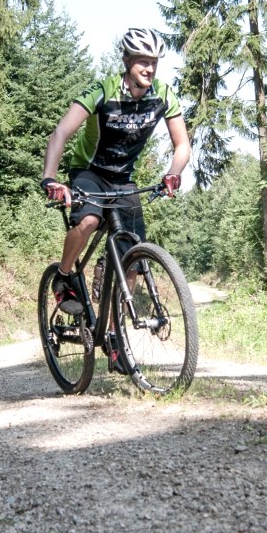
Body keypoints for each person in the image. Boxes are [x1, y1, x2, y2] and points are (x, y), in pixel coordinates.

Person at [41, 28, 192, 318]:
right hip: (90, 171)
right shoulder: (103, 91)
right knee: (87, 219)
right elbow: (60, 132)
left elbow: (182, 145)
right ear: (126, 60)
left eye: (154, 62)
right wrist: (50, 178)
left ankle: (115, 336)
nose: (149, 68)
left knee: (133, 257)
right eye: (142, 61)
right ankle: (63, 275)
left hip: (123, 180)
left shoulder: (163, 94)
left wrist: (173, 173)